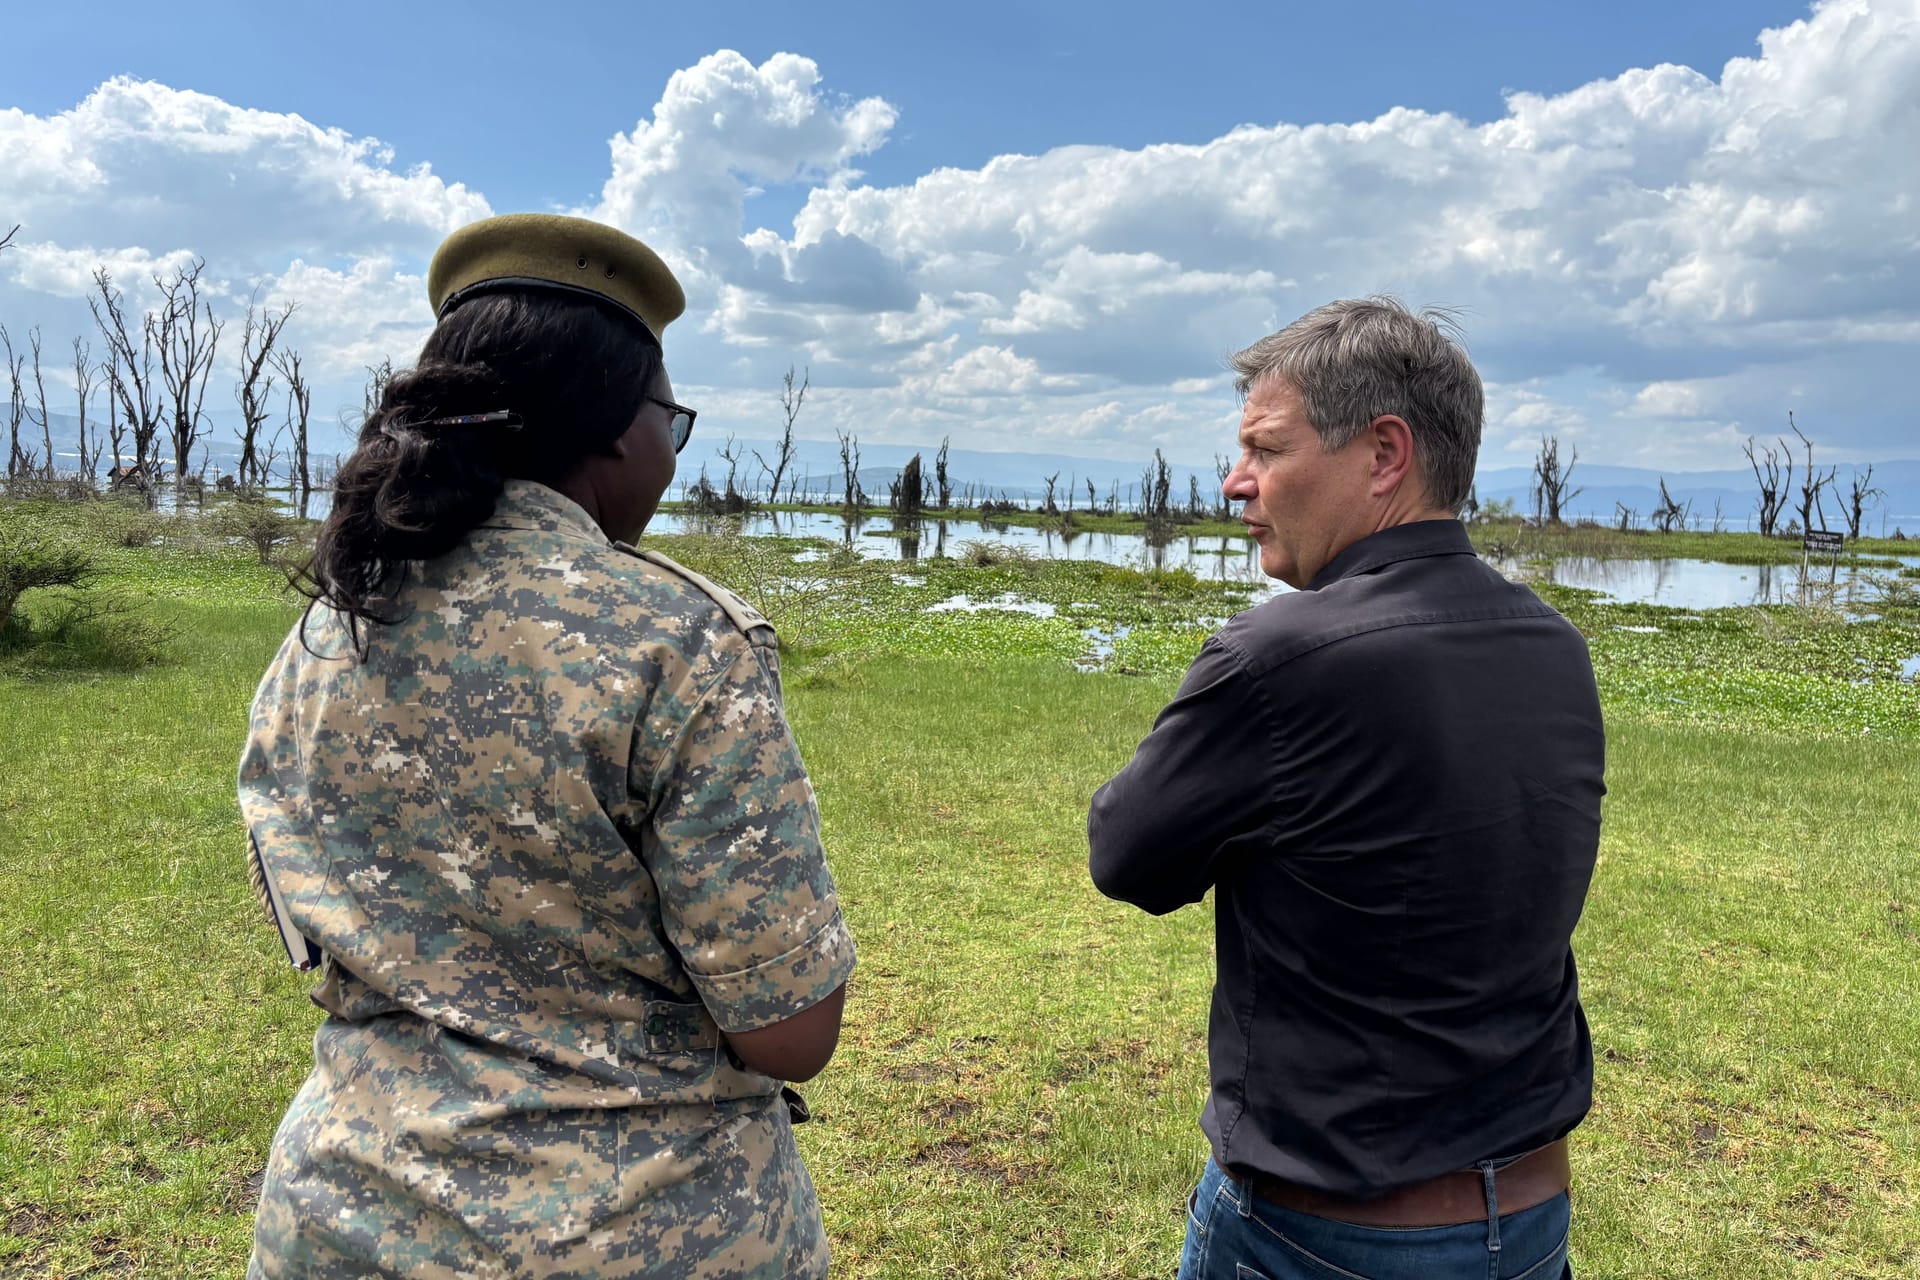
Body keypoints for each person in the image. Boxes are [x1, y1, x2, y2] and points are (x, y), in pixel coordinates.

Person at [238, 214, 855, 1280]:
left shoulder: (328, 625)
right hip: (641, 1233)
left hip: (341, 1220)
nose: (671, 445)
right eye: (675, 416)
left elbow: (309, 923)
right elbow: (789, 1031)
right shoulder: (677, 639)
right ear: (617, 424)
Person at [1088, 298, 1604, 1280]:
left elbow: (1127, 856)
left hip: (1325, 1234)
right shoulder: (1553, 643)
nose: (1237, 482)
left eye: (1265, 448)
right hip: (1530, 1216)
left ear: (1383, 454)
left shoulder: (1281, 655)